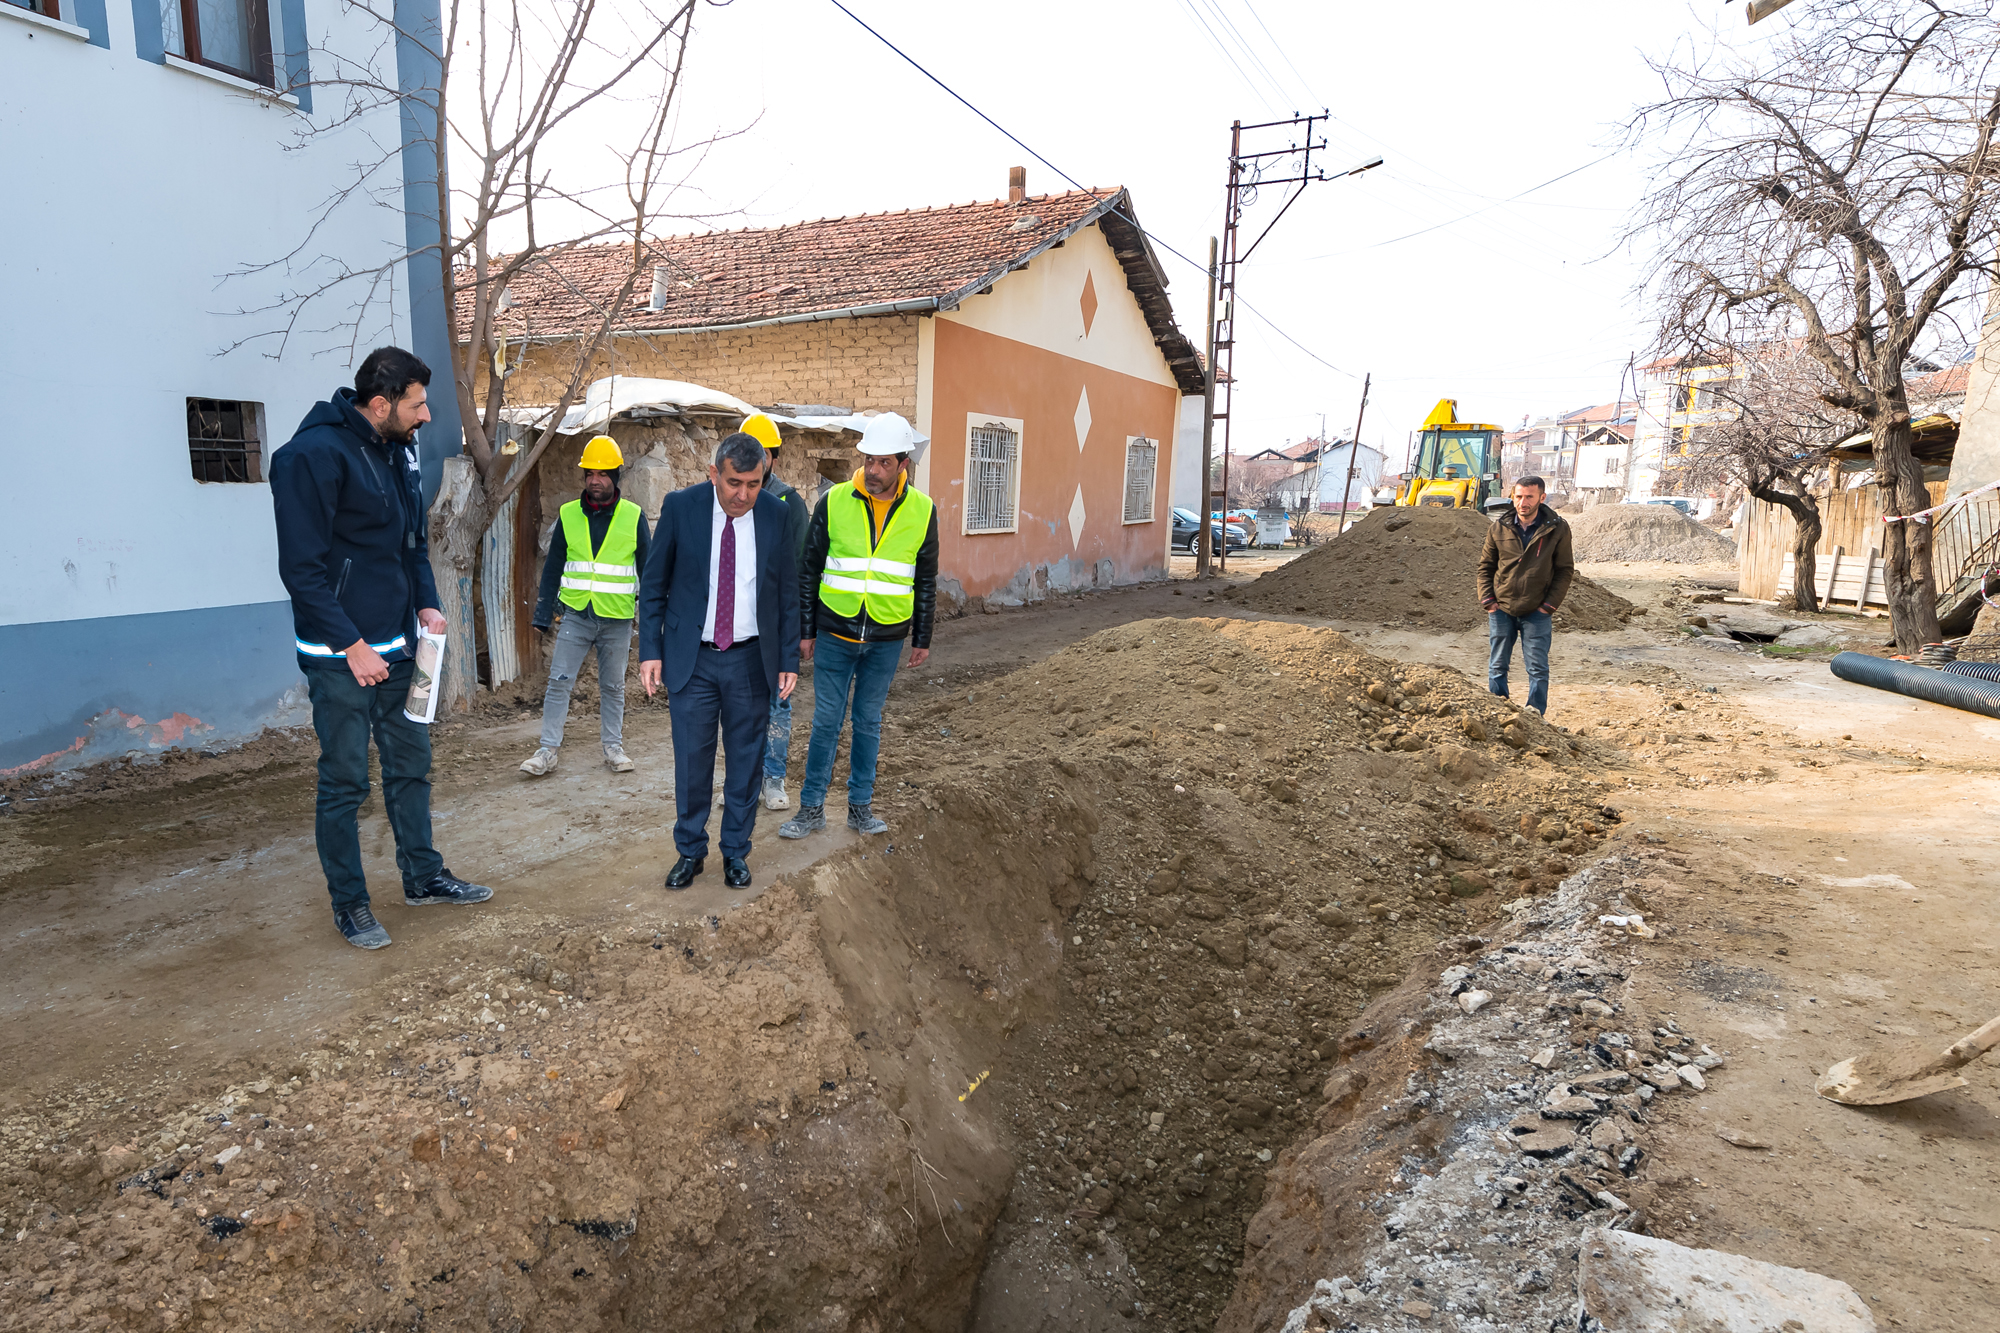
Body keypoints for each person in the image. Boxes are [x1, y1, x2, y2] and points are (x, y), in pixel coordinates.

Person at [270, 347, 494, 950]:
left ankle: (423, 876)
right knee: (345, 782)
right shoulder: (309, 458)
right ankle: (351, 905)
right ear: (380, 404)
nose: (425, 415)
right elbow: (302, 571)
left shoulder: (398, 450)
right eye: (417, 404)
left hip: (401, 648)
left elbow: (411, 544)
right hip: (341, 655)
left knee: (411, 766)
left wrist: (426, 603)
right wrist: (351, 644)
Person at [637, 432, 801, 890]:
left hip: (752, 661)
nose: (743, 495)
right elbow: (653, 587)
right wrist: (650, 650)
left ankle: (735, 852)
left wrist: (788, 657)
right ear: (714, 474)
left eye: (753, 483)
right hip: (693, 660)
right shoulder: (680, 508)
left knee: (747, 763)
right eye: (733, 483)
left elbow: (788, 592)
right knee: (692, 761)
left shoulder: (776, 514)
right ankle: (690, 851)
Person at [779, 412, 938, 842]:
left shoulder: (923, 511)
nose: (873, 470)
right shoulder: (833, 503)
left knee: (868, 722)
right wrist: (806, 630)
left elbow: (925, 578)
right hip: (835, 633)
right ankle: (811, 809)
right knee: (826, 722)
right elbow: (809, 569)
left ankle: (859, 808)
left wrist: (921, 637)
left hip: (887, 638)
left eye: (884, 463)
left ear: (904, 464)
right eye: (869, 460)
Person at [520, 435, 650, 777]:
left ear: (616, 476)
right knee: (559, 681)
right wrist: (542, 613)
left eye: (603, 473)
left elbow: (648, 574)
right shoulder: (568, 515)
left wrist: (651, 621)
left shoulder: (634, 517)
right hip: (576, 615)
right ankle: (547, 751)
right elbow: (553, 568)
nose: (595, 479)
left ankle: (613, 748)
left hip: (617, 620)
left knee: (613, 687)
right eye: (590, 473)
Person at [738, 412, 810, 810]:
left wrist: (798, 630)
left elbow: (797, 572)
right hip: (735, 626)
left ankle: (774, 779)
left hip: (775, 626)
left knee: (777, 705)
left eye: (761, 452)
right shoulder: (725, 498)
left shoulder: (789, 503)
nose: (752, 457)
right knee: (737, 710)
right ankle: (742, 784)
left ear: (773, 459)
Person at [1478, 475, 1574, 716]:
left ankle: (1535, 714)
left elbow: (1564, 570)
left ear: (1541, 498)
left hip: (1537, 611)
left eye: (1529, 497)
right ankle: (1499, 711)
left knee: (1537, 668)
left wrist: (1548, 606)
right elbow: (1485, 567)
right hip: (1502, 609)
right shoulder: (1498, 527)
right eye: (1518, 497)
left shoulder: (1557, 528)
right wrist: (1489, 602)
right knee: (1498, 665)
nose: (1523, 502)